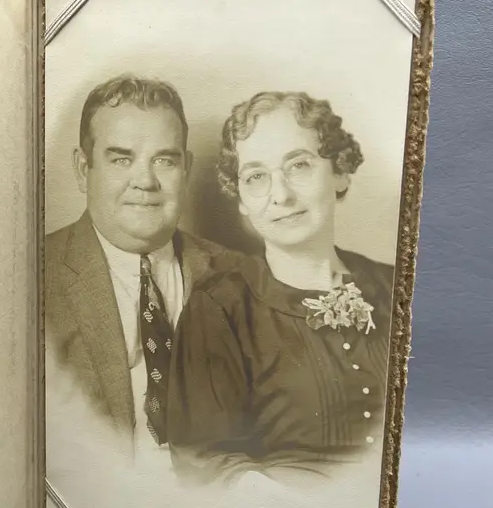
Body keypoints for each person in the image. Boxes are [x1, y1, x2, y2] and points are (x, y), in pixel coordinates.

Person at [167, 91, 395, 480]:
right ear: (241, 198)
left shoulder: (397, 287)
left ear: (339, 172)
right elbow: (206, 466)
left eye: (299, 165)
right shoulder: (220, 310)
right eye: (256, 176)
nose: (282, 196)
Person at [45, 74, 240, 453]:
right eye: (122, 159)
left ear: (186, 169)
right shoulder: (35, 278)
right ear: (83, 169)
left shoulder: (238, 275)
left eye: (164, 160)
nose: (145, 181)